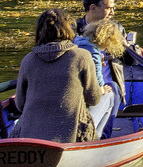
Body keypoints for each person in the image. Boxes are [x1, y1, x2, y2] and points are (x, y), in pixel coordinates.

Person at [12, 9, 105, 143]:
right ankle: (100, 141)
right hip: (71, 138)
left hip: (29, 139)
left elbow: (20, 104)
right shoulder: (82, 56)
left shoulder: (28, 60)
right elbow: (94, 98)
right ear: (68, 30)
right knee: (109, 94)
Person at [77, 18, 129, 138]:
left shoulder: (78, 41)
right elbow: (98, 80)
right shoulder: (94, 52)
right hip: (85, 99)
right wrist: (102, 89)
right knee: (112, 90)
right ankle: (99, 137)